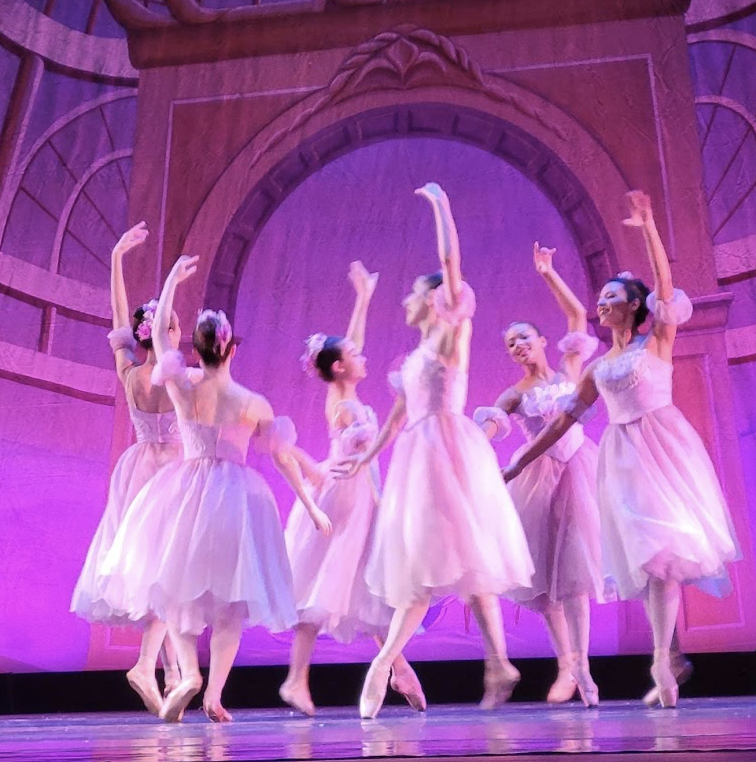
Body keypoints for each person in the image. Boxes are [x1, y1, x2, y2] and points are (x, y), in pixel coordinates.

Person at [504, 191, 739, 708]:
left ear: (634, 306)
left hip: (665, 449)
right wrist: (520, 459)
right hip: (623, 461)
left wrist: (650, 226)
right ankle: (664, 660)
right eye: (602, 297)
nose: (602, 303)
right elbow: (564, 420)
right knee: (652, 562)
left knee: (666, 554)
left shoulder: (656, 342)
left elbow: (665, 289)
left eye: (612, 296)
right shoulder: (596, 369)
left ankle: (661, 661)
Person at [97, 254, 332, 723]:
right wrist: (310, 504)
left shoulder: (182, 386)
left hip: (186, 491)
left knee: (177, 595)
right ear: (231, 350)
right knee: (229, 608)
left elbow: (160, 336)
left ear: (195, 348)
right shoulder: (251, 402)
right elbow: (282, 458)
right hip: (236, 501)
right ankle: (213, 694)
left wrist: (170, 281)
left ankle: (188, 673)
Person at [334, 183, 533, 719]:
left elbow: (450, 265)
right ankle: (490, 662)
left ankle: (393, 665)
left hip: (448, 451)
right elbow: (396, 419)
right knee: (434, 566)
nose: (404, 300)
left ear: (432, 299)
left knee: (461, 561)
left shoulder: (450, 337)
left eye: (411, 293)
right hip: (416, 458)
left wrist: (442, 205)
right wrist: (364, 458)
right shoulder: (414, 358)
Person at [280, 261, 425, 717]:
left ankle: (398, 668)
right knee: (329, 585)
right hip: (345, 496)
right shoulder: (342, 403)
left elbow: (351, 343)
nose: (364, 357)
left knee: (364, 585)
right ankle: (296, 680)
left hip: (359, 495)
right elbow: (361, 454)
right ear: (340, 367)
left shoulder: (347, 395)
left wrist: (363, 298)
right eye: (355, 356)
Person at [475, 242, 604, 706]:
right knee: (546, 584)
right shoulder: (514, 394)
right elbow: (493, 425)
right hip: (538, 481)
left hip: (579, 470)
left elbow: (577, 314)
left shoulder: (570, 367)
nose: (518, 345)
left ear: (542, 340)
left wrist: (547, 272)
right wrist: (476, 443)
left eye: (524, 337)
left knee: (576, 577)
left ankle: (583, 667)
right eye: (511, 343)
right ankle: (566, 664)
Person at [71, 222, 182, 714]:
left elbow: (119, 326)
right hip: (172, 474)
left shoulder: (131, 372)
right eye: (174, 325)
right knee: (171, 573)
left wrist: (117, 259)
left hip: (137, 470)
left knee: (161, 573)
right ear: (163, 332)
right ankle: (151, 664)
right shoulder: (176, 377)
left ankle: (173, 671)